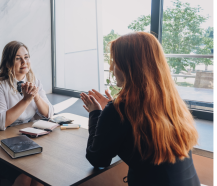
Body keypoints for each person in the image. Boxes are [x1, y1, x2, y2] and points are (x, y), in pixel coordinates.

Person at [80, 32, 200, 186]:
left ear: (128, 67)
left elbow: (97, 159)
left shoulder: (120, 110)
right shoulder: (171, 101)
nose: (111, 68)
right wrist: (108, 113)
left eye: (115, 62)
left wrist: (96, 113)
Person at [0, 41, 54, 186]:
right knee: (25, 176)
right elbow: (0, 123)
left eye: (26, 57)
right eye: (18, 58)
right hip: (0, 143)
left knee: (40, 174)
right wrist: (26, 100)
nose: (24, 62)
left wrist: (36, 96)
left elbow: (49, 113)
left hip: (26, 139)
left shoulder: (35, 81)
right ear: (7, 63)